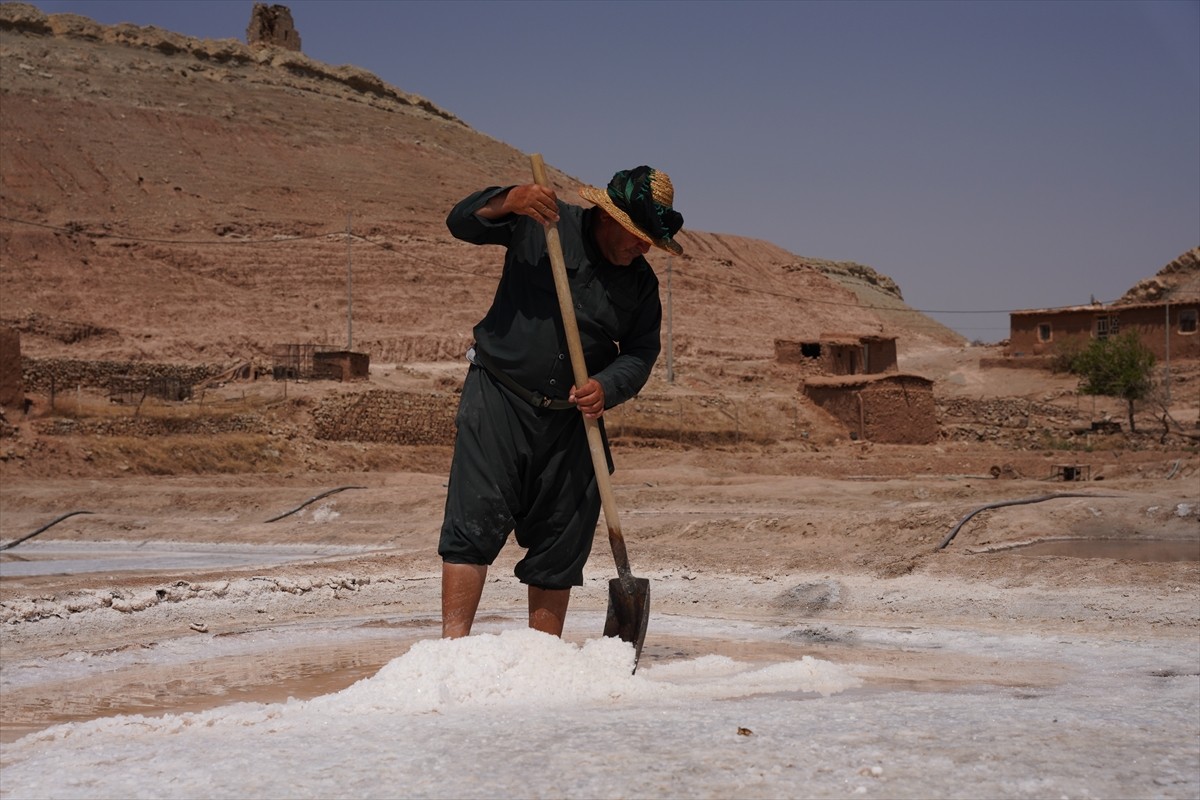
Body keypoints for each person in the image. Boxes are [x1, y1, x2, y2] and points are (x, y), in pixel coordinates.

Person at [439, 165, 685, 639]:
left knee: (561, 538)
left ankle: (541, 656)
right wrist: (507, 199)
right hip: (499, 398)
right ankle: (450, 652)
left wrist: (607, 386)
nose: (644, 247)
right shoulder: (544, 223)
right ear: (608, 217)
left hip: (573, 420)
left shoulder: (640, 285)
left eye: (650, 239)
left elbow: (641, 353)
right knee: (473, 523)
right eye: (637, 235)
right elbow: (461, 223)